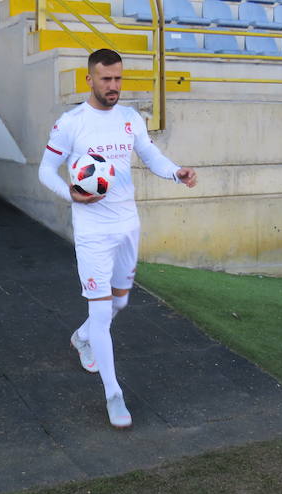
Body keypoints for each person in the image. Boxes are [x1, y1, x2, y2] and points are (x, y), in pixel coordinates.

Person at [38, 48, 197, 429]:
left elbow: (150, 154)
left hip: (128, 225)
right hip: (93, 233)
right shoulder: (71, 122)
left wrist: (176, 172)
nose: (113, 86)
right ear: (89, 79)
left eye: (118, 79)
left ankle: (81, 337)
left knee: (120, 303)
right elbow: (45, 171)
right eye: (106, 79)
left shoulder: (129, 119)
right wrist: (71, 194)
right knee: (100, 311)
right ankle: (113, 393)